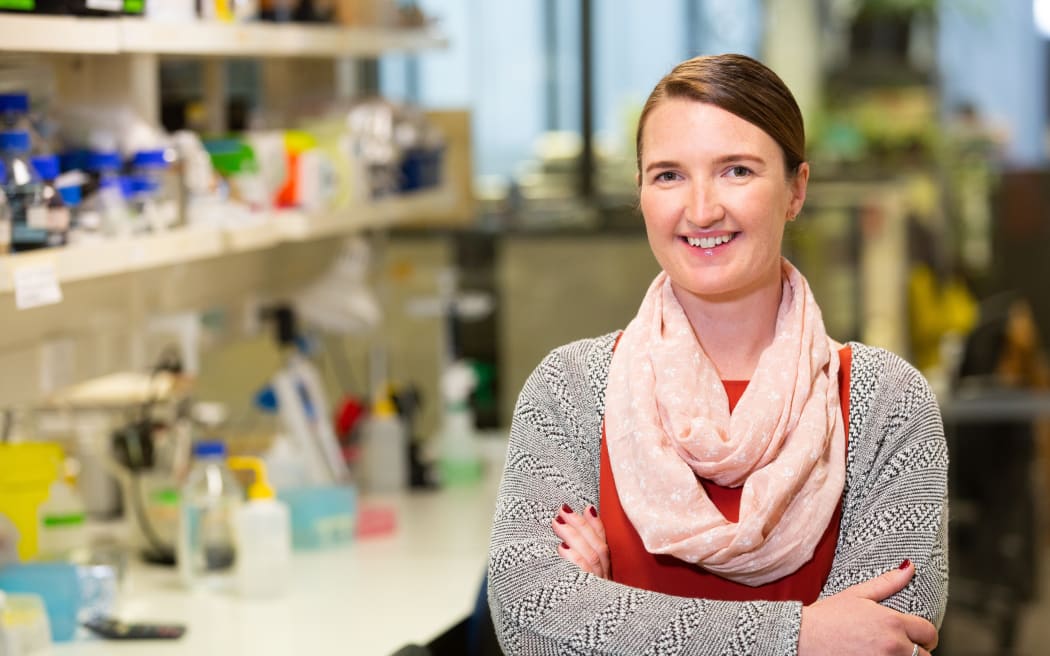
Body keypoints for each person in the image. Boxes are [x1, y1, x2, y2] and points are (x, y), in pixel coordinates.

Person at [487, 53, 948, 656]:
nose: (701, 210)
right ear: (642, 194)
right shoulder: (570, 388)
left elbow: (886, 641)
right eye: (669, 175)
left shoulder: (885, 401)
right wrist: (800, 636)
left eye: (736, 170)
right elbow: (531, 617)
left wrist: (608, 619)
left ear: (796, 190)